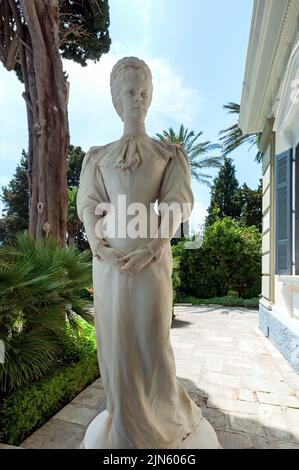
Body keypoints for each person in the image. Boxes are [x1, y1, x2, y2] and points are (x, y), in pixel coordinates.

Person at [77, 56, 221, 449]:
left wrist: (154, 246)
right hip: (108, 269)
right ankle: (124, 425)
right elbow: (88, 203)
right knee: (116, 346)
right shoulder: (97, 156)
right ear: (115, 99)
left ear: (151, 96)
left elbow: (177, 204)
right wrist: (97, 242)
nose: (137, 98)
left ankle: (161, 422)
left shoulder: (169, 154)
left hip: (151, 266)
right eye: (129, 92)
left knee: (152, 345)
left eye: (144, 92)